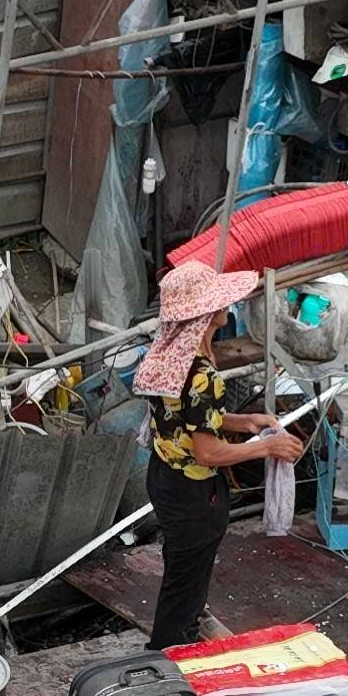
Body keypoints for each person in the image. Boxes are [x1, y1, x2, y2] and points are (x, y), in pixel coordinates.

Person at [134, 246, 297, 651]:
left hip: (164, 477)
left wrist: (243, 422)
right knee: (183, 587)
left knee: (182, 573)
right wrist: (267, 448)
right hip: (194, 492)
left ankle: (188, 629)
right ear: (206, 313)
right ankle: (169, 657)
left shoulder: (167, 358)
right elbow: (208, 453)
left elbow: (189, 421)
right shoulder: (203, 375)